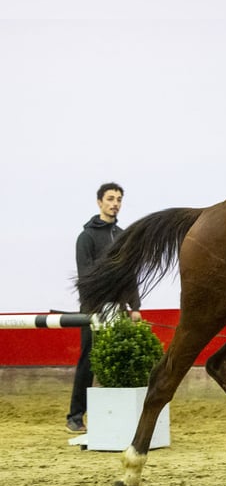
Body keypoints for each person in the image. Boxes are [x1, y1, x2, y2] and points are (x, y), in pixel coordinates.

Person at [66, 183, 142, 433]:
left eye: (119, 199)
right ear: (99, 202)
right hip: (94, 309)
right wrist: (98, 307)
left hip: (118, 308)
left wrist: (134, 307)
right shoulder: (86, 237)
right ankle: (75, 415)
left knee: (117, 359)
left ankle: (113, 417)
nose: (115, 203)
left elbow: (129, 274)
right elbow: (85, 276)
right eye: (110, 198)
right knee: (88, 360)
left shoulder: (122, 235)